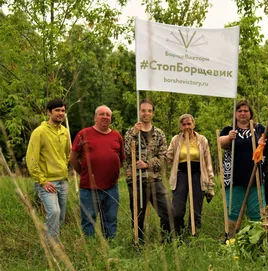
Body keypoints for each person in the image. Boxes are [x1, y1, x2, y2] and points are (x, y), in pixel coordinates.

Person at [70, 105, 125, 239]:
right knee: (88, 221)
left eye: (108, 115)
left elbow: (121, 159)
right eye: (102, 114)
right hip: (89, 188)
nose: (105, 117)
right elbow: (73, 157)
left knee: (111, 221)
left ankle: (110, 247)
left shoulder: (117, 136)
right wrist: (83, 172)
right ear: (95, 117)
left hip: (111, 188)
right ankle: (91, 249)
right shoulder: (84, 134)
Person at [124, 100, 172, 242]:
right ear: (139, 112)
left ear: (153, 113)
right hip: (136, 180)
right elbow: (126, 153)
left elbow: (164, 157)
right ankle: (138, 243)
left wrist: (148, 164)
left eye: (149, 111)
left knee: (167, 210)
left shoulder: (159, 134)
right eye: (143, 110)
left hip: (154, 179)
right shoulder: (131, 132)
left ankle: (167, 239)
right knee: (138, 215)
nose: (146, 113)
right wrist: (134, 134)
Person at [26, 98, 70, 244]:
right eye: (57, 110)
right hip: (47, 182)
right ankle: (53, 248)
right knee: (54, 212)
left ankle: (52, 241)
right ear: (48, 112)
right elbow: (31, 159)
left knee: (61, 216)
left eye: (63, 110)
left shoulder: (65, 132)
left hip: (63, 181)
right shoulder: (39, 132)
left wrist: (65, 168)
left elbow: (67, 154)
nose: (60, 113)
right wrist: (42, 181)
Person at [219, 100, 265, 238]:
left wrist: (261, 142)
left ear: (250, 113)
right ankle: (230, 240)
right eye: (239, 111)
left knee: (257, 211)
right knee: (233, 211)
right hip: (234, 178)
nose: (243, 113)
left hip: (255, 176)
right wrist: (229, 138)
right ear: (235, 113)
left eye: (245, 111)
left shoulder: (258, 128)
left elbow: (265, 142)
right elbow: (220, 143)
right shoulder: (229, 129)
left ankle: (256, 240)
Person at [167, 114, 215, 236]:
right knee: (177, 210)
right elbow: (168, 157)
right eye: (184, 124)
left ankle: (193, 235)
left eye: (189, 124)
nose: (187, 126)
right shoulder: (176, 140)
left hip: (198, 175)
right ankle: (179, 234)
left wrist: (211, 185)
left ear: (193, 124)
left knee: (196, 211)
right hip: (181, 175)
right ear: (180, 127)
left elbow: (208, 162)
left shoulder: (202, 140)